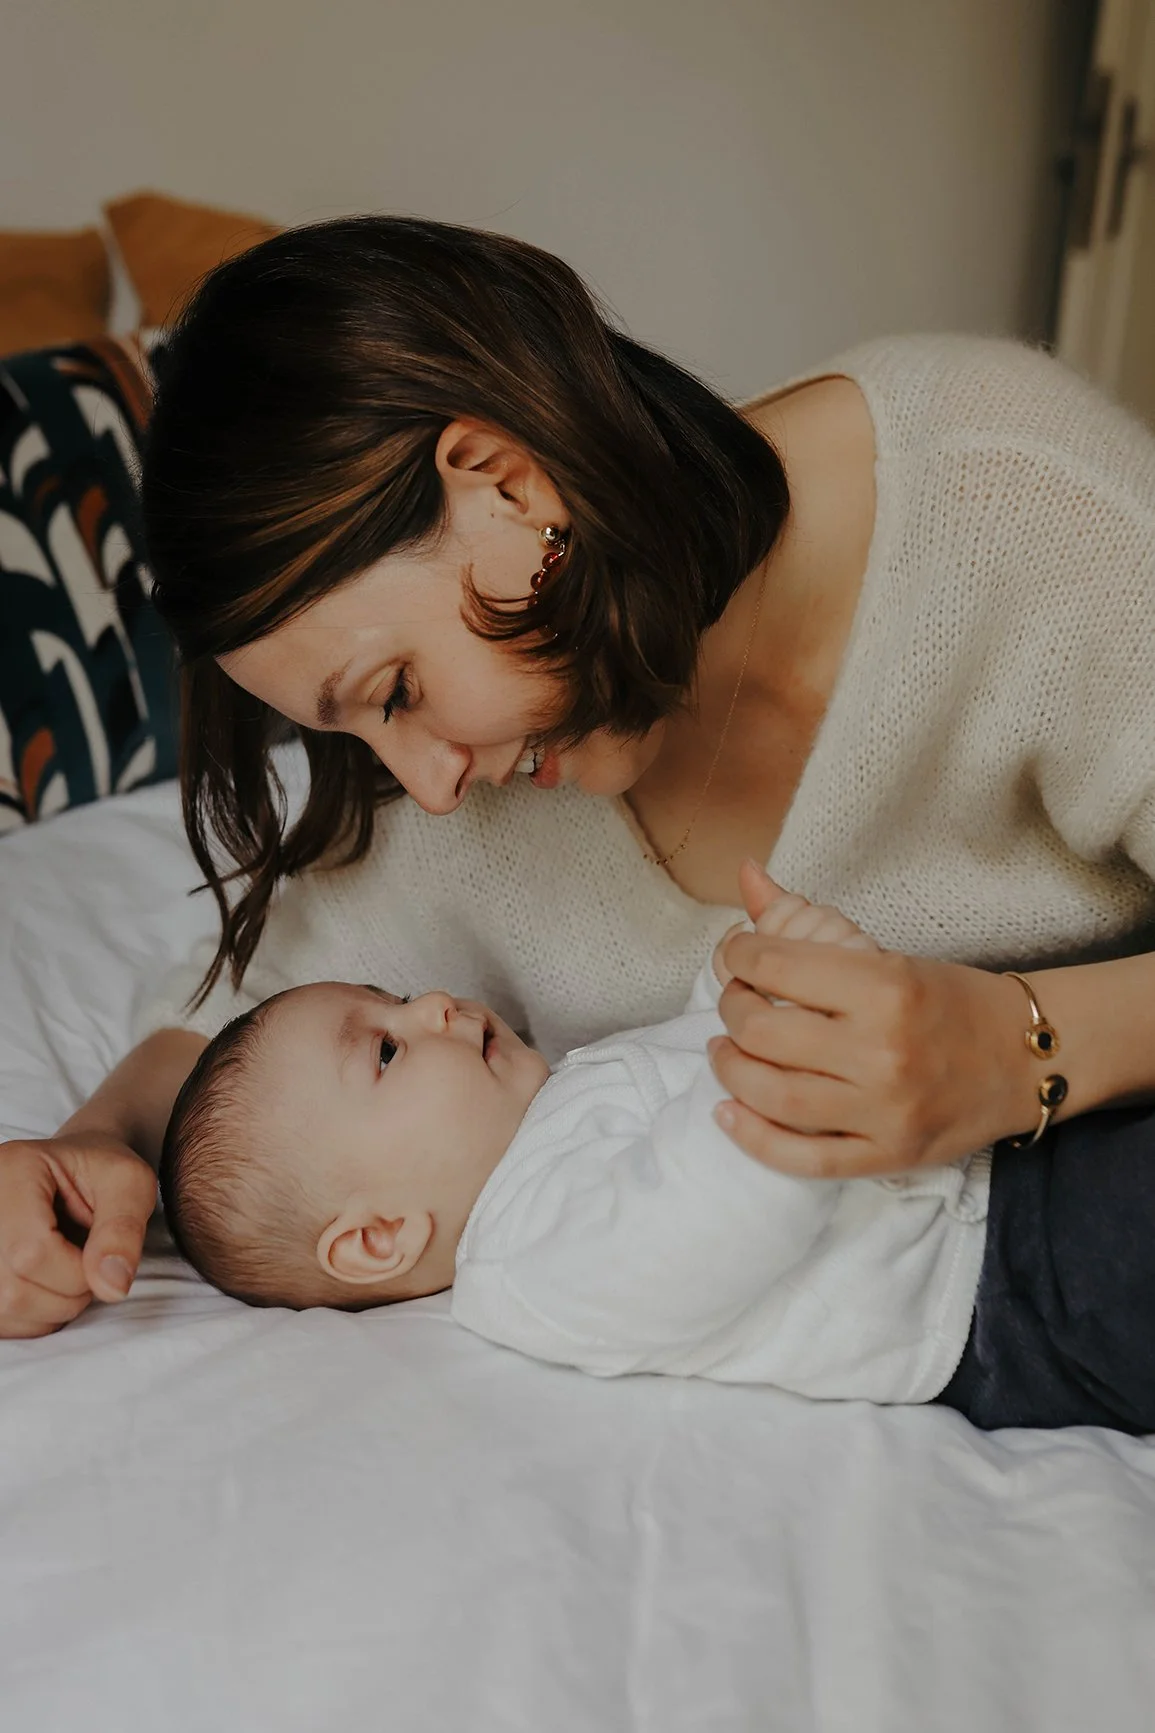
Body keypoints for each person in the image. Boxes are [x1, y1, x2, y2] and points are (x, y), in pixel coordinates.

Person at [4, 214, 1155, 1342]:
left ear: (507, 485)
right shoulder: (466, 808)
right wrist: (93, 1147)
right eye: (354, 734)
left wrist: (1024, 1047)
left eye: (397, 689)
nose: (433, 784)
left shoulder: (1014, 501)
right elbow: (239, 1031)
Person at [159, 866, 1155, 1433]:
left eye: (393, 996)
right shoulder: (530, 1264)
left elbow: (685, 1069)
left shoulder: (556, 1105)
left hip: (997, 1160)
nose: (433, 1004)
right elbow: (716, 1204)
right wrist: (785, 1031)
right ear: (379, 1234)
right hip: (1005, 1292)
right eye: (384, 1047)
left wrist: (737, 981)